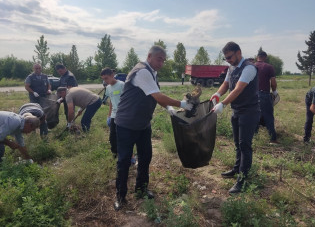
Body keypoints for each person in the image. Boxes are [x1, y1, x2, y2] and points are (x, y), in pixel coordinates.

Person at [114, 45, 193, 210]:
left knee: (146, 157)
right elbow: (158, 95)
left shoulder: (152, 73)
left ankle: (141, 189)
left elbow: (155, 97)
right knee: (124, 160)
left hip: (143, 124)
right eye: (159, 59)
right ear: (150, 56)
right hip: (127, 124)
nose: (162, 63)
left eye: (164, 60)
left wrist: (170, 109)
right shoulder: (142, 71)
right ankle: (120, 196)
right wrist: (183, 104)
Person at [210, 42, 260, 194]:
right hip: (237, 110)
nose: (228, 61)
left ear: (238, 52)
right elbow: (226, 84)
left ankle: (242, 180)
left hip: (249, 112)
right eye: (226, 59)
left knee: (245, 146)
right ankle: (236, 169)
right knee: (237, 144)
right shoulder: (231, 67)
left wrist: (223, 104)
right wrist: (218, 94)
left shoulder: (249, 68)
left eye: (230, 57)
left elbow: (238, 88)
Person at [255, 51, 278, 144]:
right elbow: (273, 82)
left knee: (254, 116)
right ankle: (273, 139)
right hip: (264, 94)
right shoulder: (269, 67)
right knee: (268, 116)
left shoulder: (251, 66)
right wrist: (275, 91)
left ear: (257, 57)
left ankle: (254, 137)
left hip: (252, 96)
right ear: (265, 57)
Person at [100, 68, 125, 157]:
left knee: (122, 136)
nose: (105, 81)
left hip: (123, 115)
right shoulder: (108, 88)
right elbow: (111, 101)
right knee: (112, 136)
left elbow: (128, 99)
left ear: (112, 75)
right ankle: (115, 153)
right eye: (103, 79)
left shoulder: (122, 85)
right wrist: (109, 115)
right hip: (114, 115)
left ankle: (126, 154)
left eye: (106, 78)